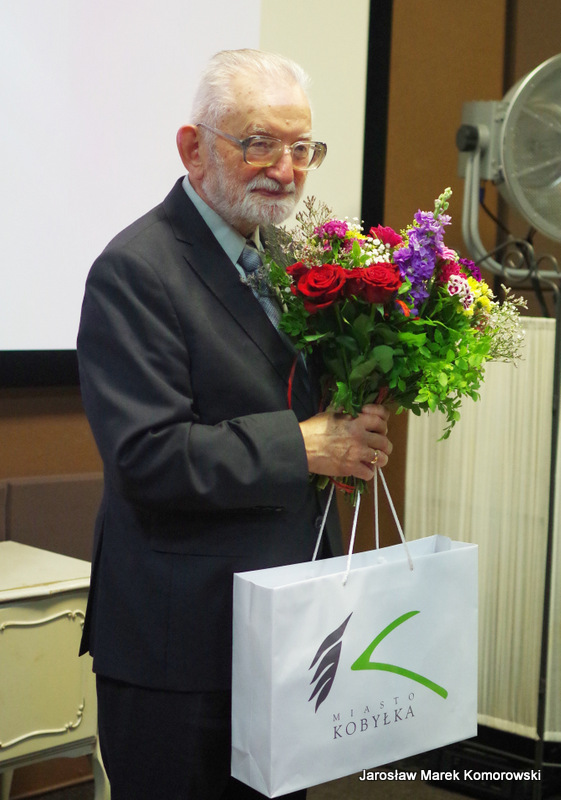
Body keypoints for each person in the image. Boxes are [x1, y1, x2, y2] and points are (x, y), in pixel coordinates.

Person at [77, 48, 392, 800]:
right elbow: (148, 456)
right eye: (258, 143)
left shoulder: (283, 258)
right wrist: (304, 445)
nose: (285, 170)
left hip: (285, 631)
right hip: (181, 646)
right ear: (193, 149)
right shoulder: (136, 269)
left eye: (301, 148)